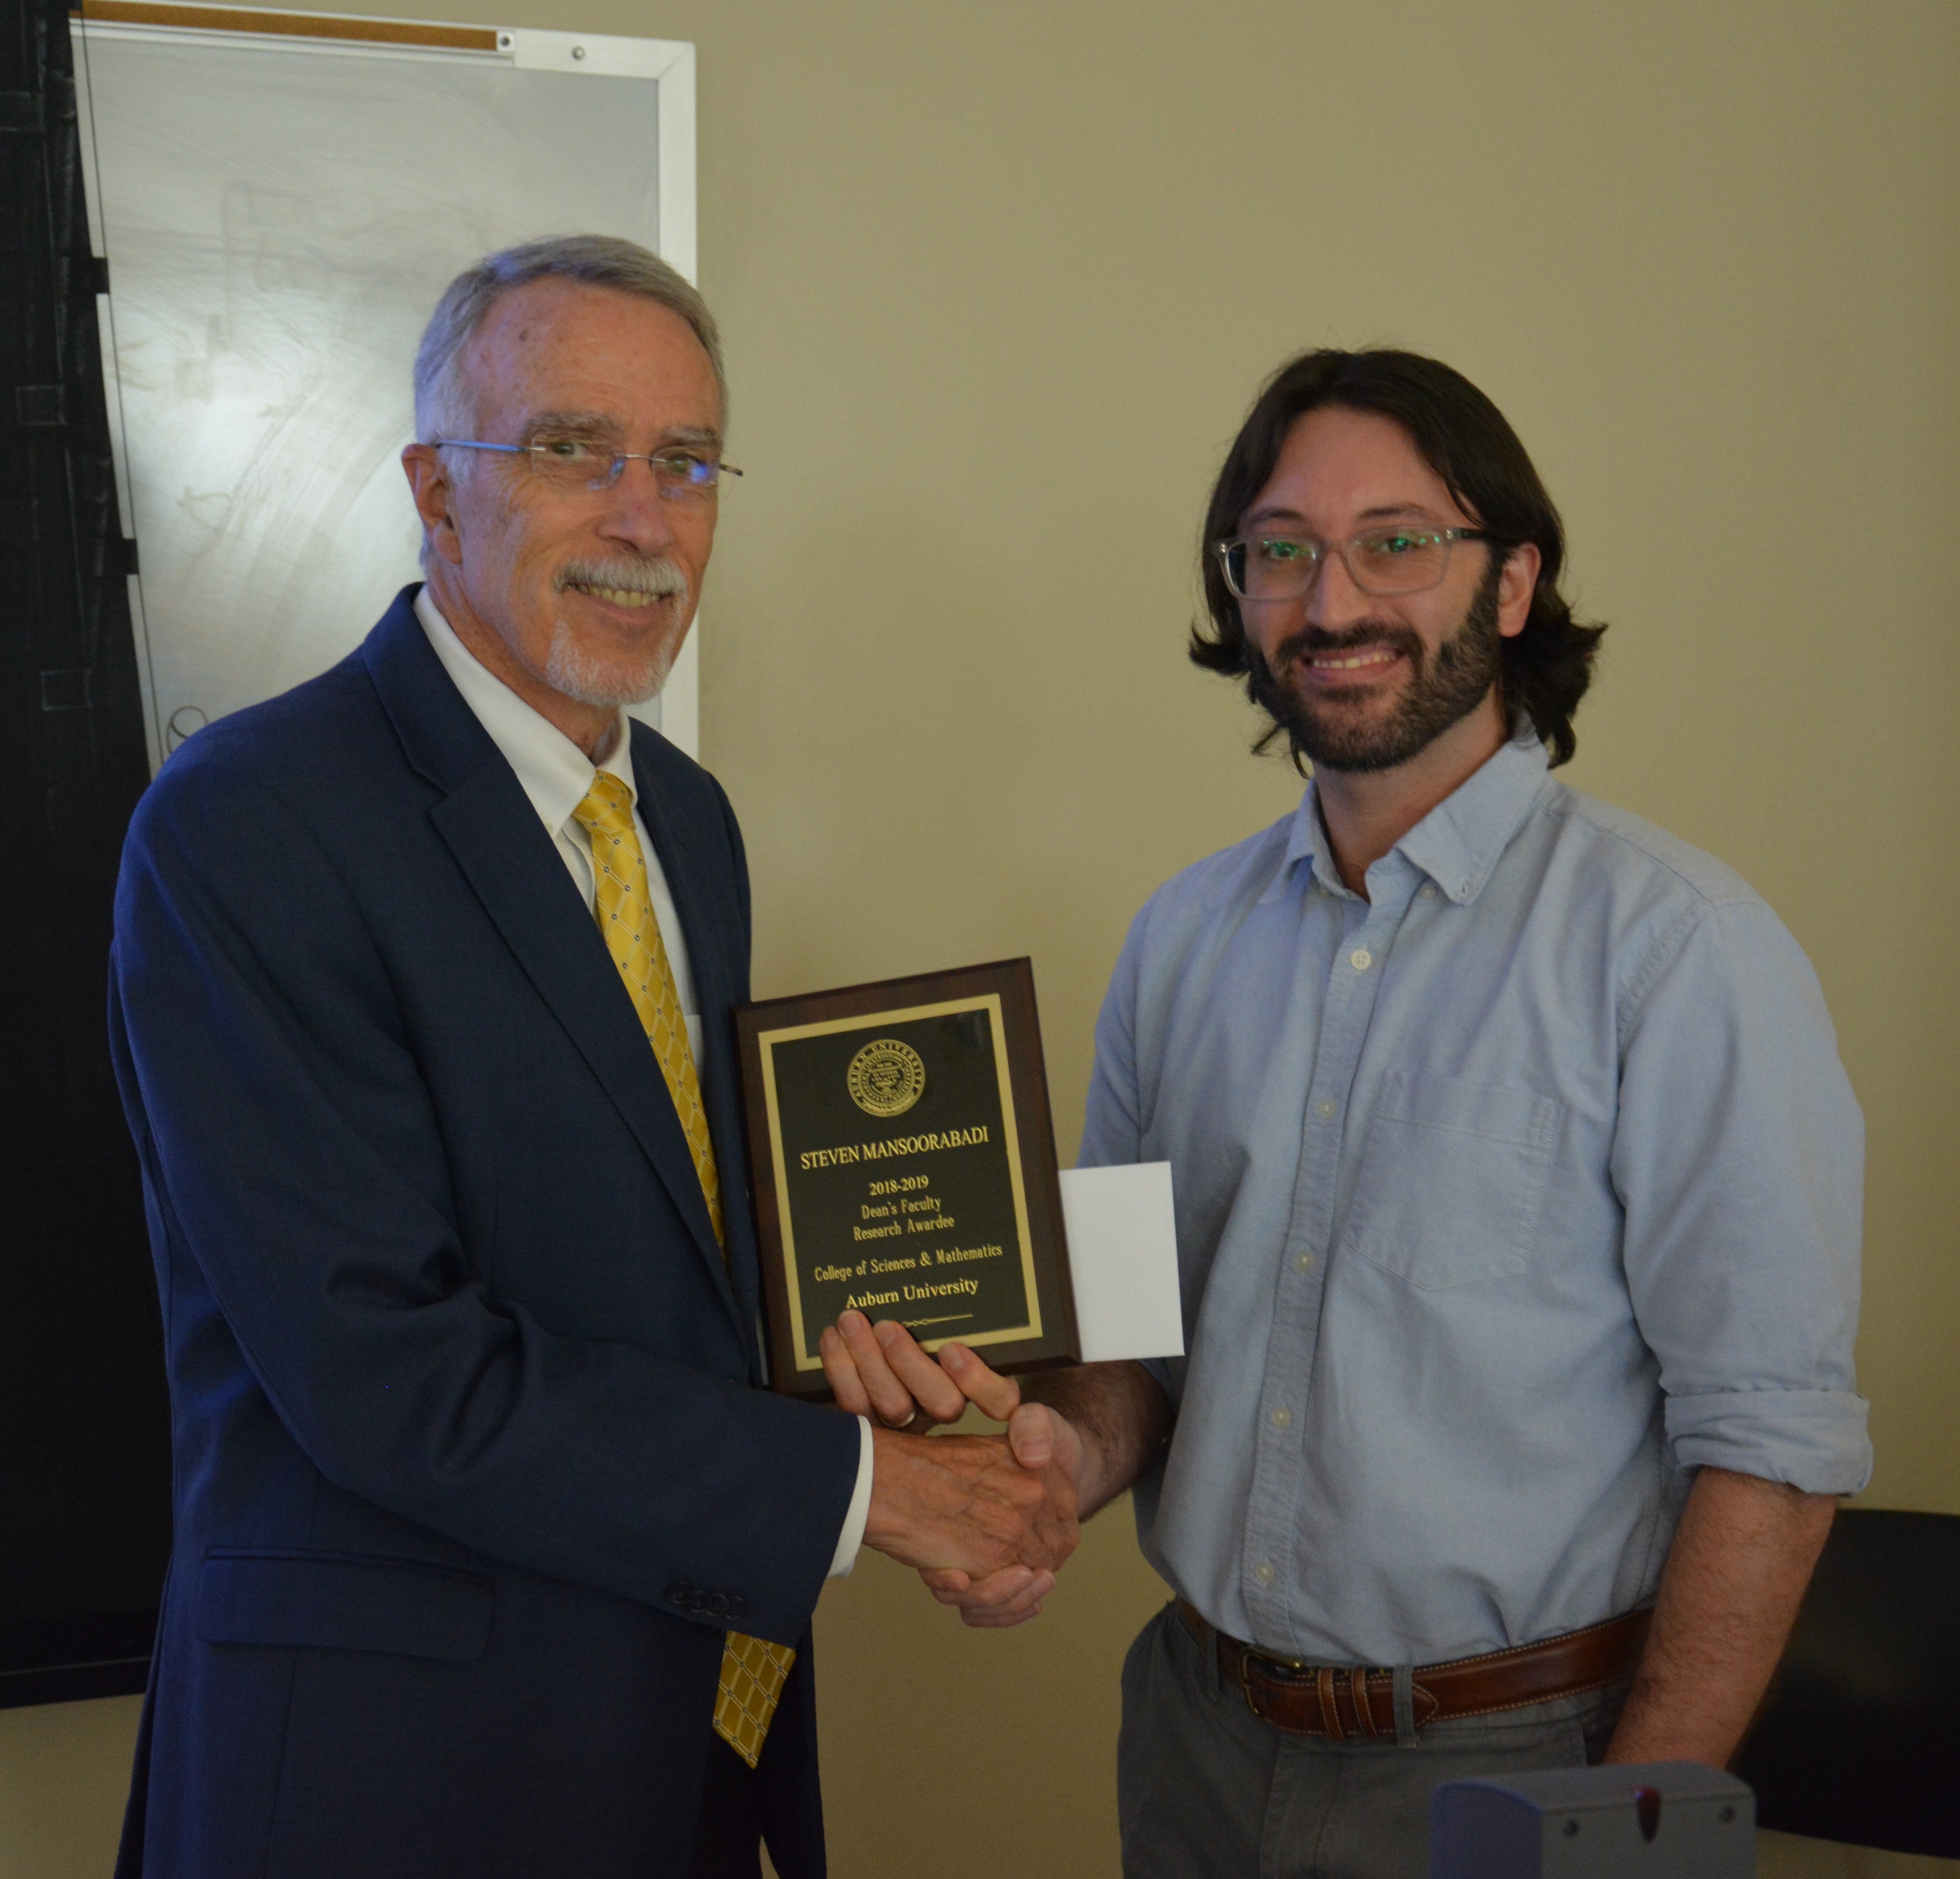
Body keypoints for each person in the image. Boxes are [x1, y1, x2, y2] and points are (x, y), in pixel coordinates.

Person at [820, 347, 1870, 1879]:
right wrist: (1047, 1476)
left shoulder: (1675, 953)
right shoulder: (1181, 939)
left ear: (1509, 586)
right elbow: (1131, 1338)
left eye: (1397, 543)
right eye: (1280, 553)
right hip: (1195, 1731)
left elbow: (1769, 1445)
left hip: (1523, 1765)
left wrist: (1630, 1824)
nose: (1330, 604)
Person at [107, 234, 1077, 1879]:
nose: (643, 517)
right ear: (436, 488)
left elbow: (673, 1253)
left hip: (687, 1725)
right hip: (393, 1783)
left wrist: (940, 1403)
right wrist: (869, 1492)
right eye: (572, 450)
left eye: (685, 463)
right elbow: (386, 1376)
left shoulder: (683, 824)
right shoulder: (251, 824)